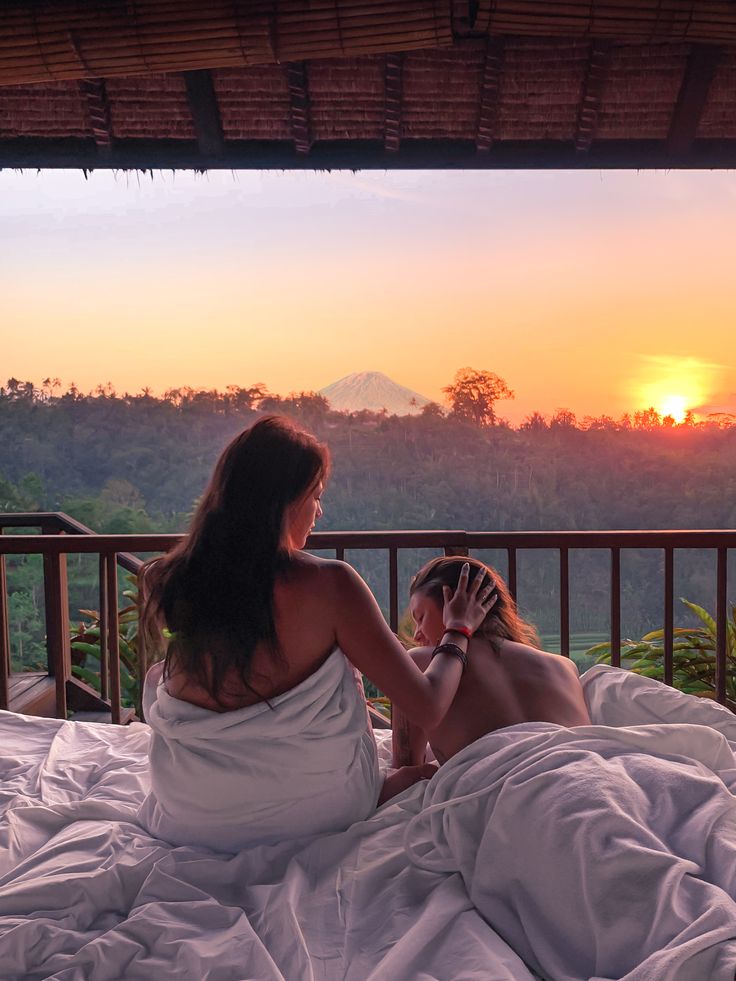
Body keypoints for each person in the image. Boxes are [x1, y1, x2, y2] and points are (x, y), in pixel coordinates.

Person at [137, 415, 496, 851]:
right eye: (315, 496)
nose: (319, 511)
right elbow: (426, 706)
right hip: (315, 809)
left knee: (161, 673)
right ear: (283, 502)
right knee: (419, 773)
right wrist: (458, 629)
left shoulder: (166, 578)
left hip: (189, 810)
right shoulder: (331, 585)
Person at [392, 555, 592, 768]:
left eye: (421, 617)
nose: (417, 635)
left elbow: (407, 768)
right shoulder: (563, 665)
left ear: (453, 603)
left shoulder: (420, 662)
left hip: (515, 789)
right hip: (591, 772)